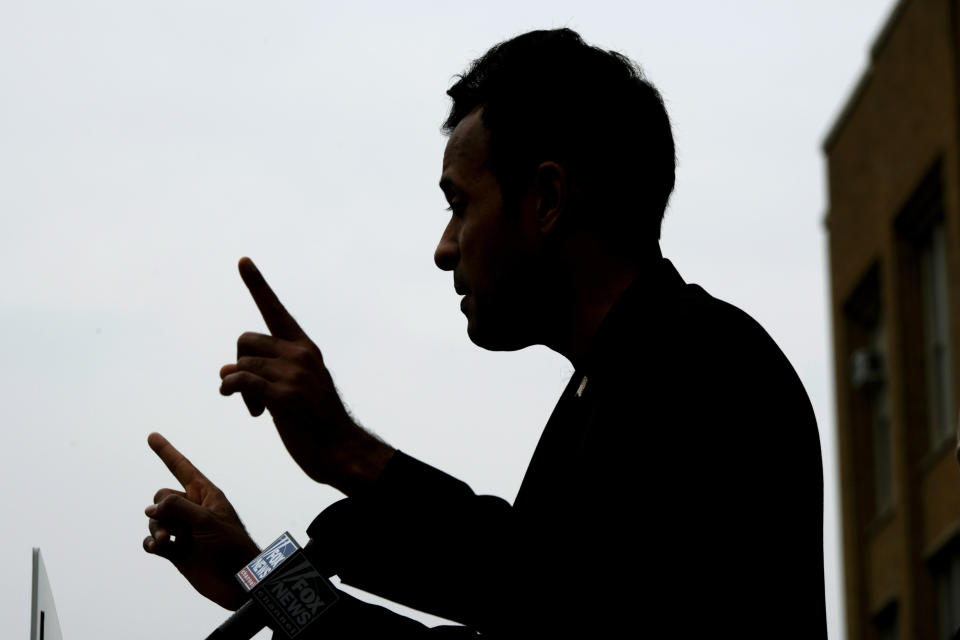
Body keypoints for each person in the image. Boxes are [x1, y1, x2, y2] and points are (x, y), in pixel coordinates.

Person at [144, 28, 827, 637]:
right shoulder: (618, 382)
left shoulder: (703, 366)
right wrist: (260, 574)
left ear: (548, 199)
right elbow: (533, 585)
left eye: (459, 204)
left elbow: (538, 587)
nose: (445, 247)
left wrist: (347, 457)